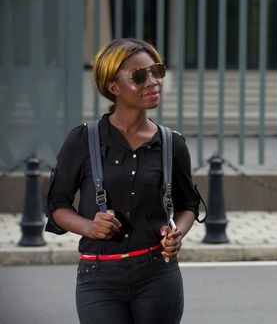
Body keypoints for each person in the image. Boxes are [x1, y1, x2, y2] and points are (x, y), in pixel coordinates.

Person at [45, 38, 201, 324]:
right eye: (140, 76)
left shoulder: (171, 143)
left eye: (156, 70)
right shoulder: (82, 140)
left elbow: (188, 205)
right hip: (99, 277)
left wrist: (175, 231)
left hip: (157, 274)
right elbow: (57, 205)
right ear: (114, 87)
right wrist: (89, 227)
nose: (153, 81)